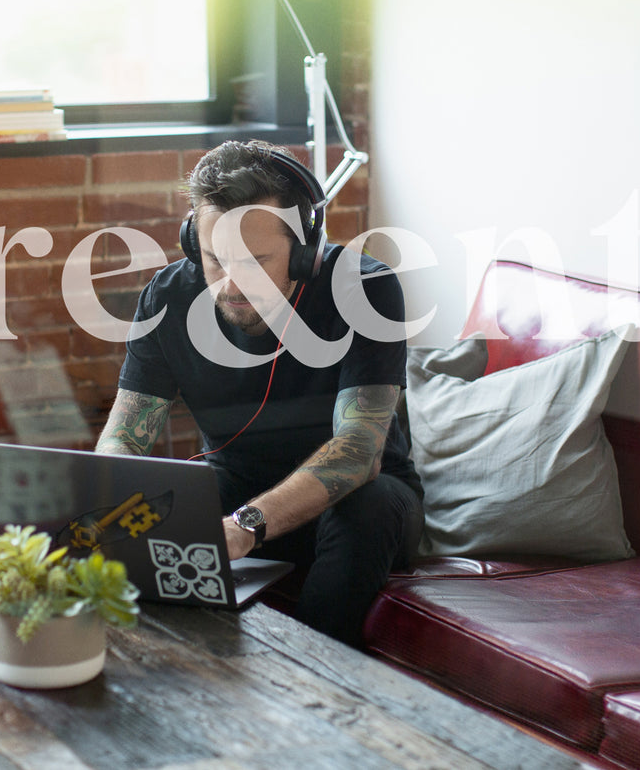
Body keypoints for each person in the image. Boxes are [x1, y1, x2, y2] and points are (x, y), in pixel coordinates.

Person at [96, 139, 423, 645]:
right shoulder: (168, 297)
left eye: (256, 261)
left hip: (358, 503)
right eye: (215, 260)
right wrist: (112, 494)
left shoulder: (366, 289)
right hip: (233, 490)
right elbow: (123, 438)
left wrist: (247, 525)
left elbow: (360, 451)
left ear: (304, 251)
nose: (231, 285)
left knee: (369, 506)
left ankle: (315, 675)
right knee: (159, 506)